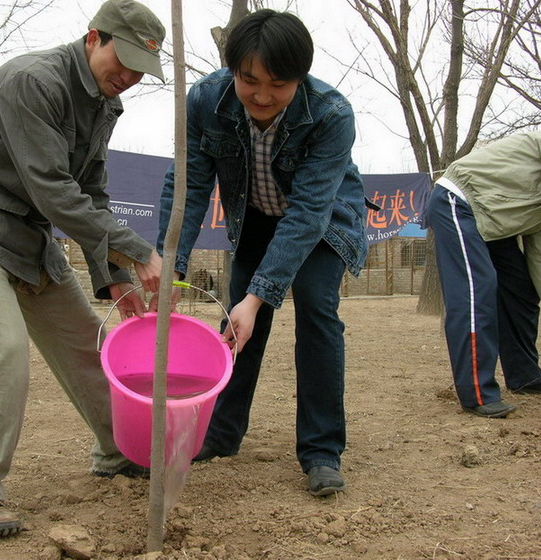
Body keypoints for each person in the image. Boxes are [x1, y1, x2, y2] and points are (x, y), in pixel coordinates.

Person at [0, 0, 165, 538]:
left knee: (87, 344)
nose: (127, 78)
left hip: (26, 232)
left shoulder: (104, 104)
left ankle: (116, 452)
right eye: (121, 61)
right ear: (94, 37)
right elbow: (54, 191)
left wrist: (116, 276)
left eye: (139, 73)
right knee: (4, 351)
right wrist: (138, 250)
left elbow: (91, 193)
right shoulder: (35, 80)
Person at [153, 9, 372, 497]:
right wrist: (173, 265)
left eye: (279, 84)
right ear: (232, 70)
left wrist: (259, 295)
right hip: (253, 217)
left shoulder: (332, 114)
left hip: (321, 222)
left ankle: (321, 451)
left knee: (316, 308)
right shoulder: (206, 100)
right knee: (238, 325)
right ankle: (222, 434)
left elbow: (308, 214)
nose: (262, 96)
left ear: (301, 76)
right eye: (250, 80)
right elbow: (186, 187)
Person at [425, 130, 541, 419]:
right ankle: (477, 393)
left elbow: (540, 257)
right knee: (476, 291)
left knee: (522, 290)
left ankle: (525, 376)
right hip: (458, 201)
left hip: (495, 221)